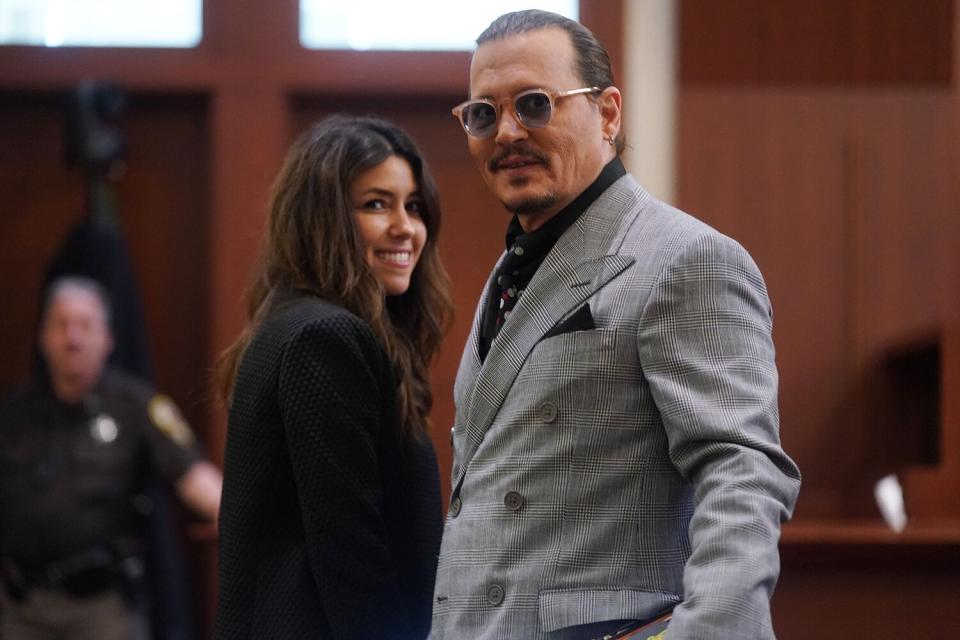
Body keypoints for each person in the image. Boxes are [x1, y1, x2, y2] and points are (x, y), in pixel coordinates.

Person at [431, 10, 802, 640]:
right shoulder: (512, 267)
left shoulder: (687, 257)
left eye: (534, 104)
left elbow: (740, 471)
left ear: (608, 113)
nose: (507, 133)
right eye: (484, 114)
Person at [214, 115, 453, 640]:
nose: (405, 227)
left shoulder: (294, 323)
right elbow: (351, 553)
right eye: (376, 204)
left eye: (413, 206)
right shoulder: (323, 337)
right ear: (323, 218)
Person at [0, 276, 223, 640]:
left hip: (103, 609)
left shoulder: (135, 404)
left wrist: (234, 516)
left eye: (85, 325)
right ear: (43, 337)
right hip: (22, 609)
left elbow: (192, 473)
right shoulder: (13, 413)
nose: (72, 338)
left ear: (108, 338)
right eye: (61, 325)